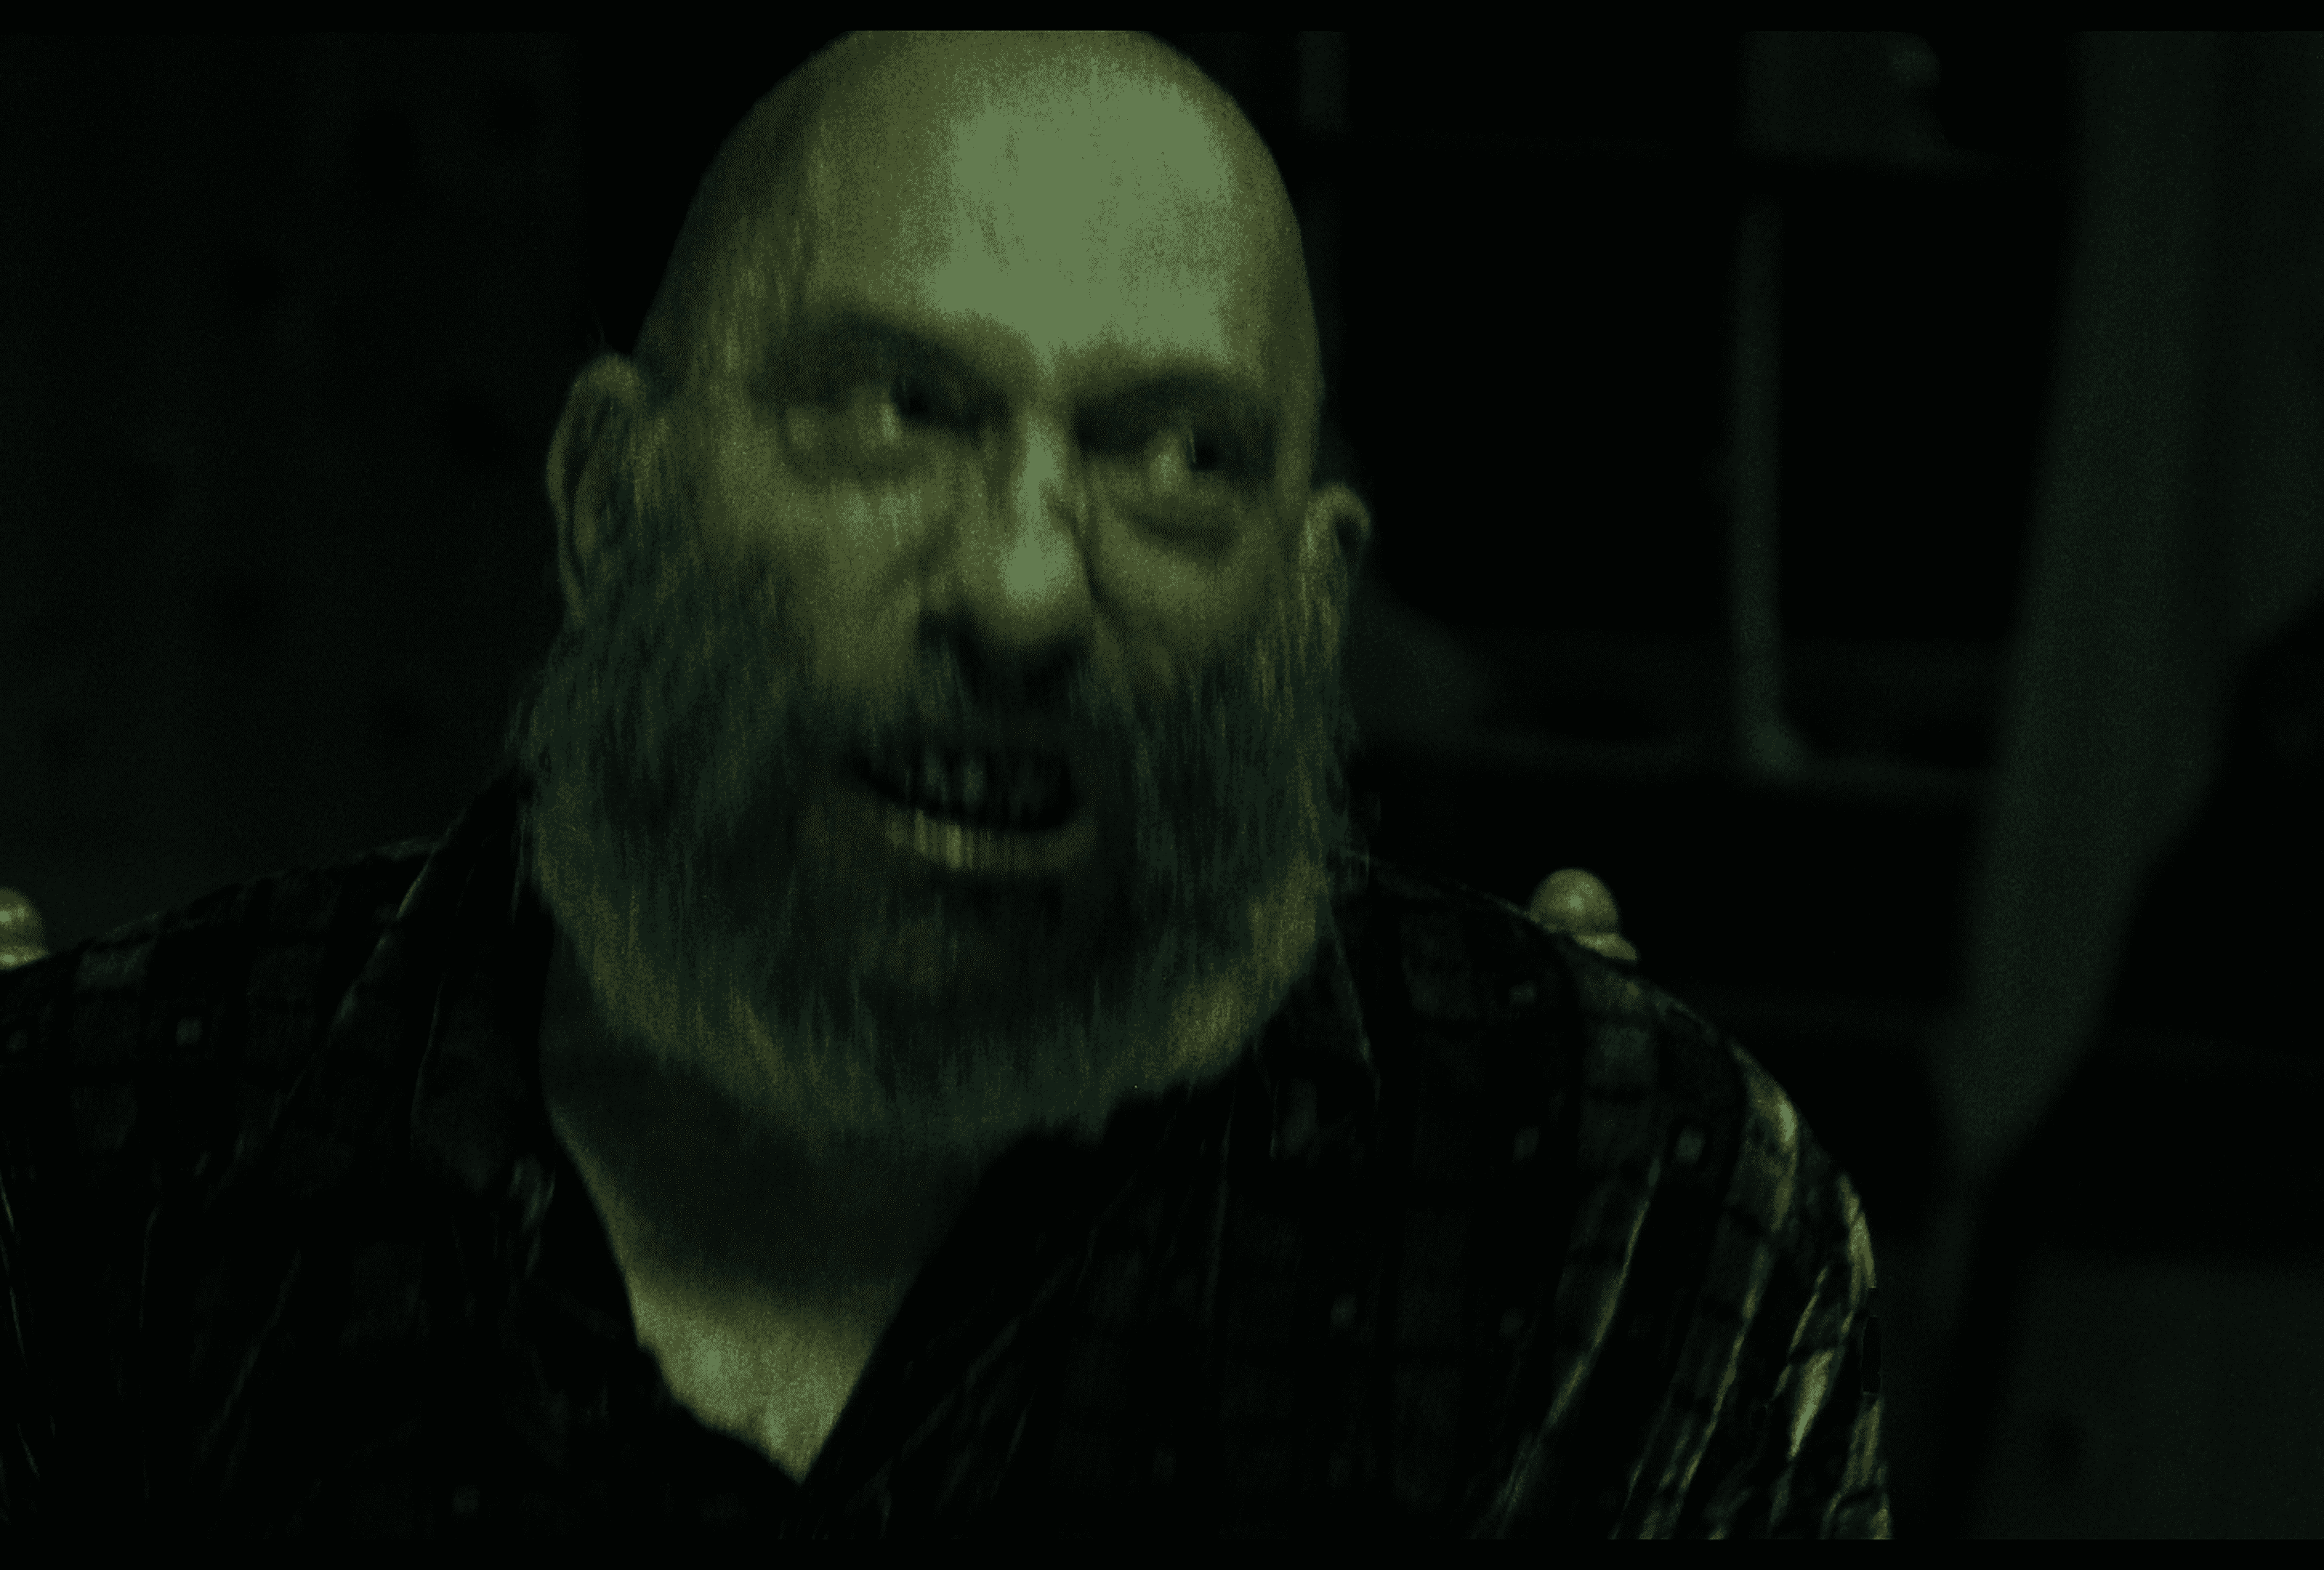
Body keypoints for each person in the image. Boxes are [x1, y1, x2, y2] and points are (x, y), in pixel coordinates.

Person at [0, 33, 1883, 1536]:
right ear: (609, 502)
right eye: (894, 411)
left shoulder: (1619, 1222)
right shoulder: (107, 1153)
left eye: (1177, 457)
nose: (1025, 592)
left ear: (1312, 612)